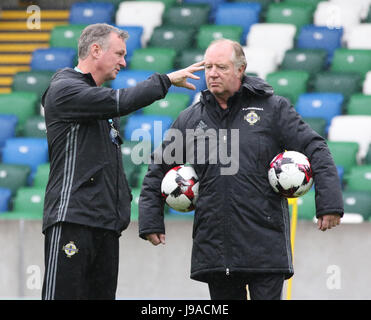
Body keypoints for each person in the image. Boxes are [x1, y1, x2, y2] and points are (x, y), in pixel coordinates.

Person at [138, 39, 343, 300]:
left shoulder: (272, 109)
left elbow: (316, 148)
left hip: (265, 248)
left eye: (221, 67)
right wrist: (151, 219)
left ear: (240, 69)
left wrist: (329, 204)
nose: (212, 73)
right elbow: (158, 168)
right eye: (208, 66)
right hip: (214, 249)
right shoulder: (190, 119)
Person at [40, 23, 204, 300]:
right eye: (119, 53)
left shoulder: (101, 104)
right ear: (95, 50)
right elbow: (122, 100)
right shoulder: (64, 89)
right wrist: (165, 81)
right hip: (73, 220)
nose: (124, 62)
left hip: (105, 226)